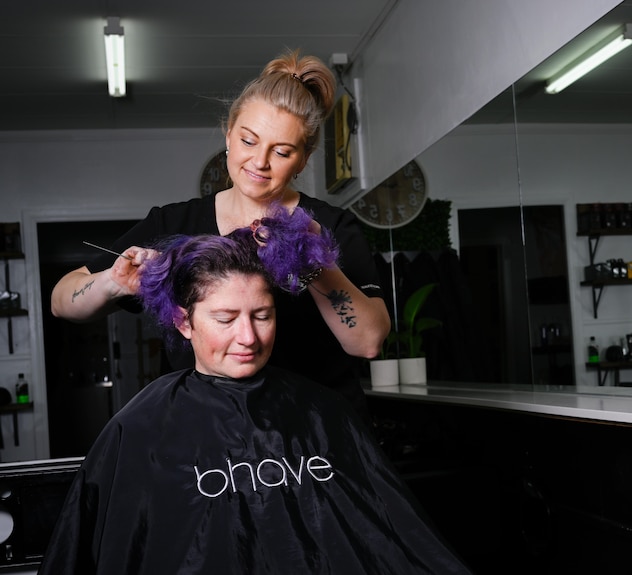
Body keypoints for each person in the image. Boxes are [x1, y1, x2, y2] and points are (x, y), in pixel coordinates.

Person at [38, 212, 471, 574]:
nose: (248, 337)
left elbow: (393, 542)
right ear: (184, 322)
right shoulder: (137, 428)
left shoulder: (324, 412)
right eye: (226, 319)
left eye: (262, 315)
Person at [50, 49, 389, 419]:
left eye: (282, 151)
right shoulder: (173, 224)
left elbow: (368, 342)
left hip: (314, 437)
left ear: (303, 159)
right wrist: (112, 283)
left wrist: (315, 262)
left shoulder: (332, 226)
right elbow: (62, 300)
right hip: (204, 435)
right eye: (248, 141)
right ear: (228, 134)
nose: (259, 162)